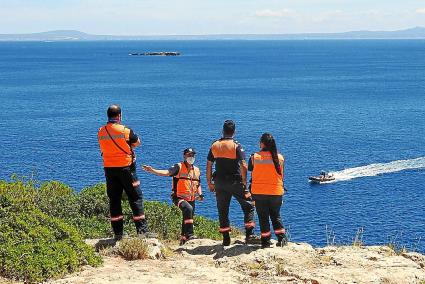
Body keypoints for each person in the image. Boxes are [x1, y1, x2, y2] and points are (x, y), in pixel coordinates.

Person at [98, 104, 153, 240]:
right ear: (119, 116)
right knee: (135, 197)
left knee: (114, 200)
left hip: (109, 169)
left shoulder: (101, 131)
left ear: (108, 115)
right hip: (126, 168)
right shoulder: (125, 130)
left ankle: (118, 233)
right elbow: (137, 142)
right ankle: (142, 232)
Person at [206, 120, 258, 246]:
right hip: (235, 181)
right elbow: (244, 165)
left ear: (222, 131)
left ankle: (226, 238)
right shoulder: (236, 146)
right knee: (249, 205)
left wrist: (209, 182)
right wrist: (245, 182)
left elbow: (209, 165)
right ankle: (249, 235)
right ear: (234, 132)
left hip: (219, 182)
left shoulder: (215, 145)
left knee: (222, 209)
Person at [142, 148, 203, 245]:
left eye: (192, 155)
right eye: (189, 155)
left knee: (187, 216)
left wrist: (200, 194)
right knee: (188, 209)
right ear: (184, 156)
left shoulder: (196, 170)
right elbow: (167, 172)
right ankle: (190, 235)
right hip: (178, 197)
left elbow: (198, 183)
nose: (191, 157)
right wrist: (153, 170)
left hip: (191, 198)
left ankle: (183, 240)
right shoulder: (178, 166)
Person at [248, 133, 288, 248]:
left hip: (259, 192)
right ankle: (282, 239)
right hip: (276, 192)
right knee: (276, 215)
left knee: (263, 217)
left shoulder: (254, 157)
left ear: (262, 143)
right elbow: (281, 175)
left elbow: (251, 169)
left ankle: (265, 241)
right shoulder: (280, 158)